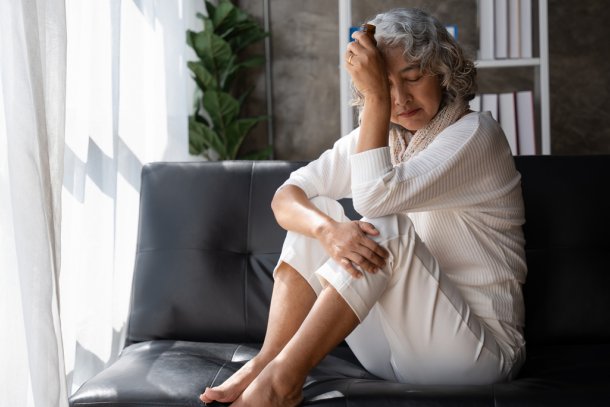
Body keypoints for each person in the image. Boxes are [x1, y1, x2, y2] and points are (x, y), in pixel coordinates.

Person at [200, 7, 527, 407]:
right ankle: (266, 362)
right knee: (321, 213)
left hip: (476, 355)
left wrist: (374, 96)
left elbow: (374, 198)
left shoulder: (476, 136)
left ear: (443, 73)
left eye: (413, 77)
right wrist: (326, 231)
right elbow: (286, 196)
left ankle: (281, 383)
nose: (400, 99)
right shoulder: (386, 139)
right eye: (384, 85)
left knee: (385, 228)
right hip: (392, 351)